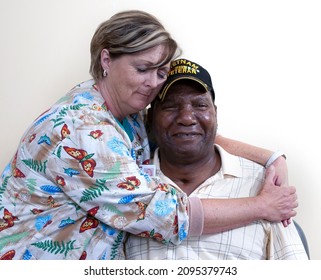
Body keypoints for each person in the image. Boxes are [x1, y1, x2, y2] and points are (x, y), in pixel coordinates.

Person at [0, 10, 297, 260]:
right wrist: (264, 206)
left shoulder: (122, 112)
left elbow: (184, 130)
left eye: (160, 72)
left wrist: (270, 158)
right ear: (106, 60)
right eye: (143, 69)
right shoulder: (85, 130)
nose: (152, 83)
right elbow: (166, 216)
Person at [124, 58, 308, 260]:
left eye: (200, 105)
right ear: (150, 118)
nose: (186, 117)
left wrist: (273, 159)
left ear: (215, 114)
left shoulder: (264, 186)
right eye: (170, 106)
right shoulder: (128, 184)